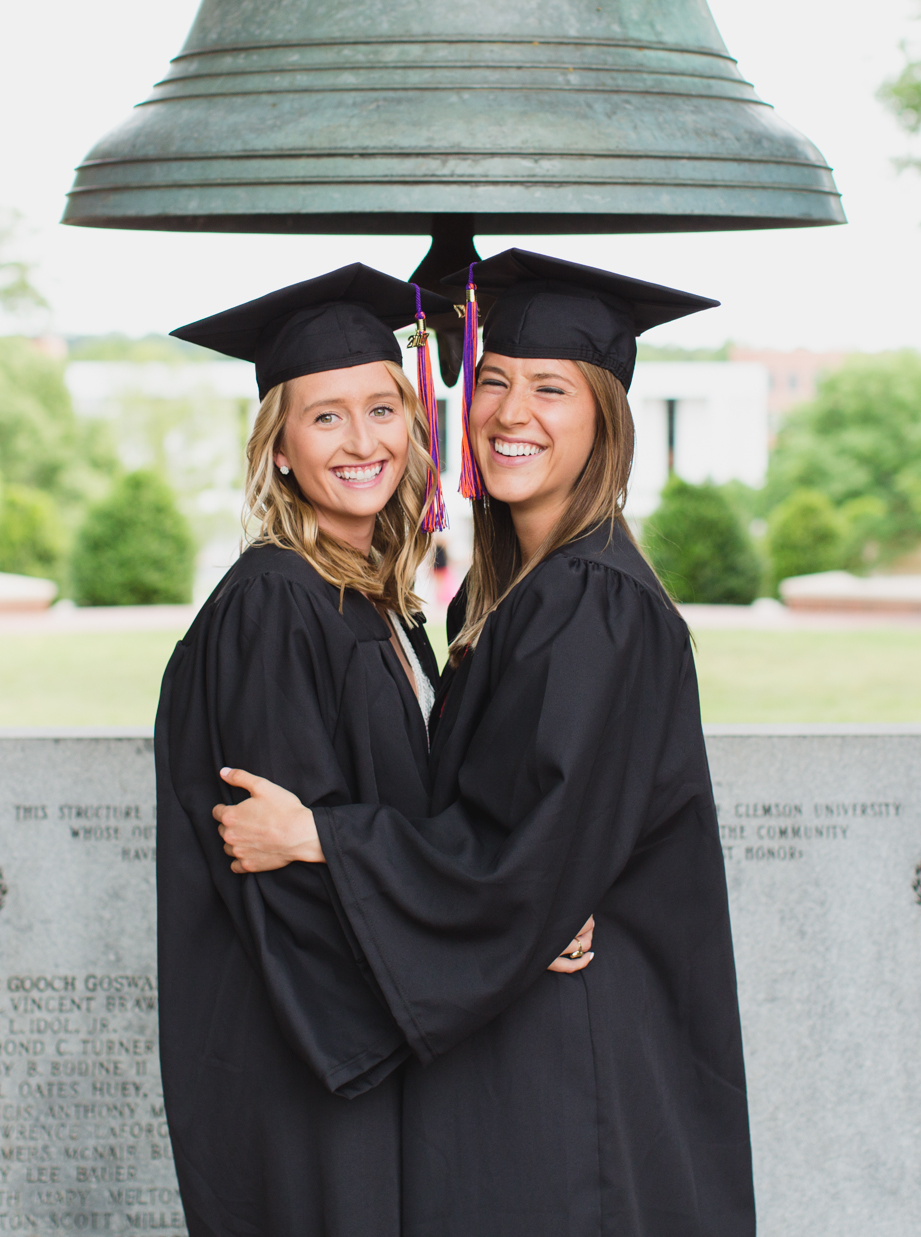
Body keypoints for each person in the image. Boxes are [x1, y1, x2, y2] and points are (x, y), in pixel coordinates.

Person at [215, 250, 755, 1237]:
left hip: (570, 1062)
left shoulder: (590, 601)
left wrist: (326, 839)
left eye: (550, 387)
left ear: (604, 417)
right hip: (529, 1045)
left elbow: (523, 858)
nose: (510, 413)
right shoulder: (509, 596)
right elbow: (513, 848)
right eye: (493, 380)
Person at [153, 263, 593, 1237]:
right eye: (324, 418)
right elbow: (289, 884)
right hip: (308, 1060)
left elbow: (376, 825)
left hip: (363, 1051)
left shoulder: (367, 599)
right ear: (276, 450)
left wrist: (514, 912)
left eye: (382, 409)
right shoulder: (273, 607)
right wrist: (500, 941)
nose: (363, 443)